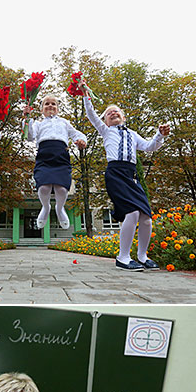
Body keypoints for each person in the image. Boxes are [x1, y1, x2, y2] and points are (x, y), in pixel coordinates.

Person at [81, 86, 170, 270]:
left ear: (123, 116)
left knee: (146, 218)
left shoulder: (133, 134)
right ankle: (123, 257)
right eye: (108, 113)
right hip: (115, 174)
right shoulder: (106, 131)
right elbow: (91, 114)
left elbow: (149, 146)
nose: (113, 113)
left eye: (116, 111)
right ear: (105, 121)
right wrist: (86, 95)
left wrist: (160, 135)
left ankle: (143, 256)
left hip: (132, 176)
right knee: (132, 213)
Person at [23, 89, 86, 229]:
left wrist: (81, 140)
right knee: (44, 188)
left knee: (62, 189)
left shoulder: (64, 122)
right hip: (44, 155)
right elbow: (29, 136)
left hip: (61, 155)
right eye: (47, 104)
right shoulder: (38, 123)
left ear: (57, 108)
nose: (50, 106)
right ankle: (45, 207)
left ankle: (59, 208)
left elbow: (76, 134)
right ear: (41, 109)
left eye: (53, 104)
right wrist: (27, 119)